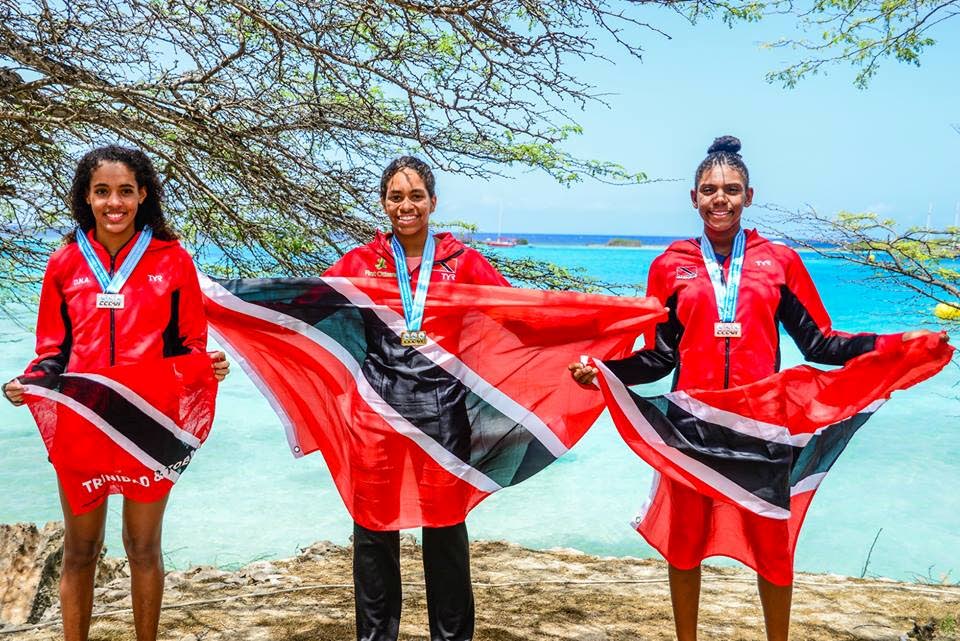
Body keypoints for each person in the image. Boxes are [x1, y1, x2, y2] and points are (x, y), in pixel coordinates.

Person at [568, 135, 946, 641]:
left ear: (749, 195)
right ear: (692, 197)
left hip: (761, 425)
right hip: (691, 424)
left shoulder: (779, 261)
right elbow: (658, 356)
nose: (719, 198)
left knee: (772, 548)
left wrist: (898, 343)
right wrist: (604, 369)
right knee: (685, 545)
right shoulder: (668, 265)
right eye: (709, 189)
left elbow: (820, 342)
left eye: (731, 189)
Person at [2, 145, 229, 641]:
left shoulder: (173, 261)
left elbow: (192, 344)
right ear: (87, 197)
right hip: (82, 424)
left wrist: (208, 366)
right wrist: (25, 383)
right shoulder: (64, 264)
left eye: (125, 191)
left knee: (143, 546)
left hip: (148, 424)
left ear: (143, 195)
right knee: (82, 549)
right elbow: (51, 351)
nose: (114, 203)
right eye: (102, 191)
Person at [323, 156, 509, 641]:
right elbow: (312, 307)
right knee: (373, 531)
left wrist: (589, 334)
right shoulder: (363, 262)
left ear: (433, 202)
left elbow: (515, 313)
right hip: (376, 413)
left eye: (416, 197)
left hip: (445, 413)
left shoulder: (462, 261)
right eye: (396, 197)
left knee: (446, 532)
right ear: (384, 203)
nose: (406, 207)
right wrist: (228, 306)